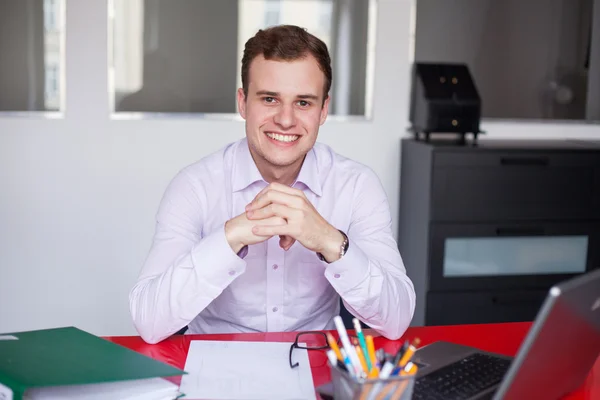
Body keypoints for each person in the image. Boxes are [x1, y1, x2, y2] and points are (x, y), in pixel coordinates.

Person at [129, 25, 415, 344]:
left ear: (323, 110)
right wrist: (230, 237)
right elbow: (149, 322)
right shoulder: (194, 186)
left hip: (313, 366)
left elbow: (397, 320)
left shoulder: (357, 185)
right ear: (243, 102)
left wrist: (330, 242)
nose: (286, 119)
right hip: (214, 368)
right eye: (269, 99)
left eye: (303, 103)